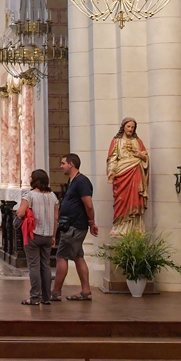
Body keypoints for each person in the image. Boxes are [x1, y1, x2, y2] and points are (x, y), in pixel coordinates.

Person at [50, 153, 98, 302]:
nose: (61, 166)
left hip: (74, 227)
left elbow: (88, 204)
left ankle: (56, 292)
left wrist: (91, 222)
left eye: (63, 163)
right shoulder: (73, 181)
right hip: (73, 226)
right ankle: (85, 291)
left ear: (71, 164)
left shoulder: (81, 181)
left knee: (61, 257)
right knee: (78, 257)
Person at [16, 169, 59, 306]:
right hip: (47, 235)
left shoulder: (30, 195)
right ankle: (46, 297)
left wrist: (20, 212)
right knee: (45, 266)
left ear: (33, 180)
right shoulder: (53, 196)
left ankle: (35, 297)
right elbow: (56, 218)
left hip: (33, 234)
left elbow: (21, 213)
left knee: (34, 266)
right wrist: (53, 236)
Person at [107, 117, 149, 236]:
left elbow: (146, 158)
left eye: (132, 127)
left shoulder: (138, 141)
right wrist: (111, 171)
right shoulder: (116, 141)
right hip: (121, 174)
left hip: (135, 172)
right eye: (128, 126)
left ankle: (135, 228)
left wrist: (140, 155)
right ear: (123, 127)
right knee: (121, 199)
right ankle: (119, 227)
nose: (130, 129)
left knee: (135, 198)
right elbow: (112, 158)